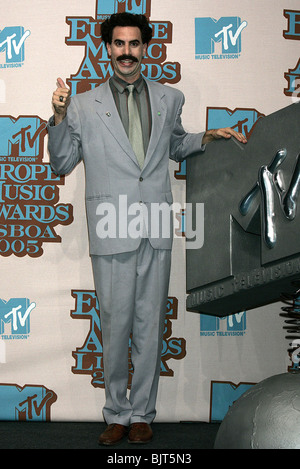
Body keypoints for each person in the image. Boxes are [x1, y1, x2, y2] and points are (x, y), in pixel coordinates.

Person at [47, 12, 247, 446]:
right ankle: (116, 413)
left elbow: (175, 144)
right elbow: (62, 163)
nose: (126, 52)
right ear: (107, 49)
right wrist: (59, 116)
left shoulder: (169, 98)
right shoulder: (82, 104)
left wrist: (207, 137)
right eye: (118, 44)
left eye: (134, 44)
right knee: (116, 326)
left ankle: (142, 413)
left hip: (155, 224)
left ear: (145, 48)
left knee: (149, 325)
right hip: (110, 225)